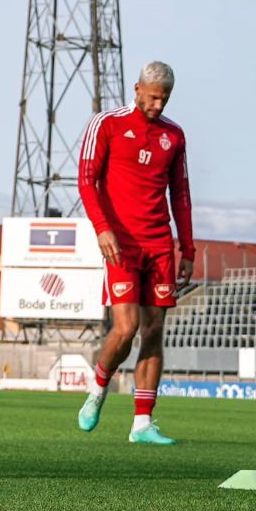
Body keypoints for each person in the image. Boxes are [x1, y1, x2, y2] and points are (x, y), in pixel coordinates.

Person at [76, 61, 194, 445]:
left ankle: (142, 422)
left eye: (165, 99)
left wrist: (186, 247)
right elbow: (86, 180)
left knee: (154, 330)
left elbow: (180, 195)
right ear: (137, 88)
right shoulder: (106, 124)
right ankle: (98, 388)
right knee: (125, 328)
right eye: (153, 96)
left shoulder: (174, 137)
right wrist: (102, 228)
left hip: (159, 245)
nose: (158, 105)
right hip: (120, 243)